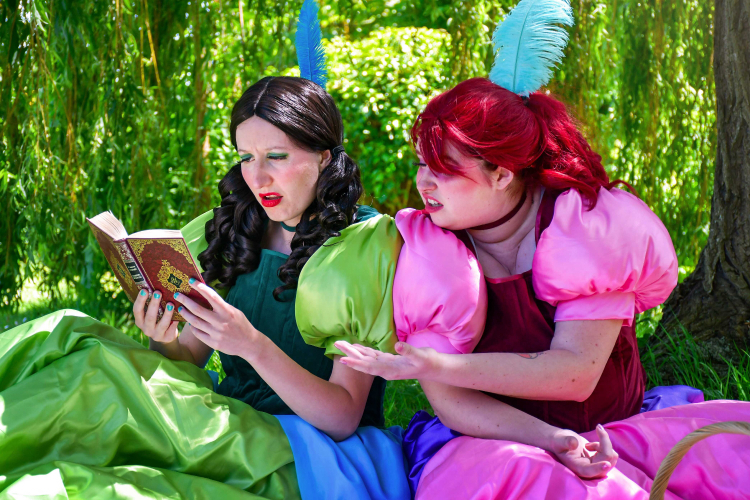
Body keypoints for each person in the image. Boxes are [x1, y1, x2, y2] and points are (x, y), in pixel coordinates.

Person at [335, 77, 750, 500]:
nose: (423, 182)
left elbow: (575, 374)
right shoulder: (429, 252)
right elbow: (454, 403)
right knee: (514, 477)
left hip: (618, 433)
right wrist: (554, 440)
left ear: (502, 173)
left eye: (443, 169)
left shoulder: (585, 226)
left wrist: (434, 366)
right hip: (495, 444)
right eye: (422, 163)